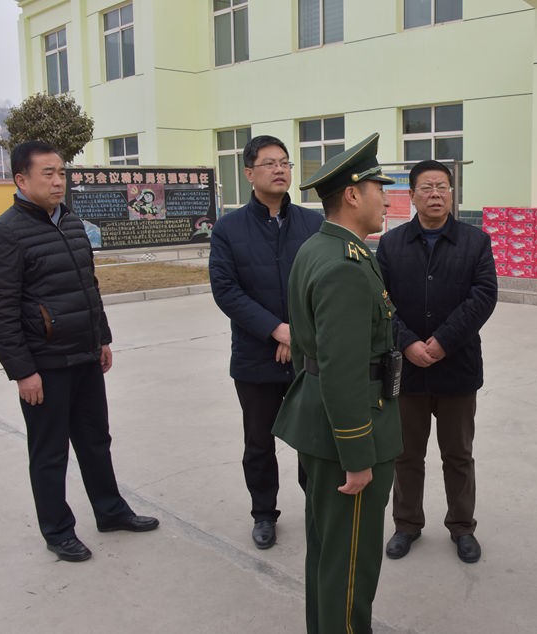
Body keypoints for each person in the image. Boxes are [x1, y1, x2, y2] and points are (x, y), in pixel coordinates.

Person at [0, 140, 159, 563]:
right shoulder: (5, 235)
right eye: (48, 174)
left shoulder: (72, 223)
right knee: (50, 452)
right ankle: (58, 530)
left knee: (96, 440)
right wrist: (23, 371)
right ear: (21, 180)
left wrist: (102, 338)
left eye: (61, 172)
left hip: (85, 355)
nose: (58, 181)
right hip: (44, 367)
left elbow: (88, 288)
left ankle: (110, 511)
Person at [272, 133, 403, 634]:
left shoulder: (320, 247)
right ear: (352, 194)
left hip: (321, 425)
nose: (386, 200)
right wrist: (357, 454)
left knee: (329, 556)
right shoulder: (343, 265)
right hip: (350, 432)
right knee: (350, 566)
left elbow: (311, 353)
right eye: (379, 189)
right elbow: (342, 366)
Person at [376, 159, 497, 564]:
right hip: (407, 370)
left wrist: (444, 341)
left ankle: (462, 526)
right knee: (406, 454)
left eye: (442, 187)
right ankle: (407, 524)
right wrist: (408, 342)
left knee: (458, 453)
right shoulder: (391, 245)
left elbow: (483, 296)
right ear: (411, 195)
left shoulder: (475, 242)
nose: (435, 194)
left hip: (457, 368)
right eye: (426, 188)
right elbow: (381, 302)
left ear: (451, 193)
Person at [209, 135, 323, 550]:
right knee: (259, 441)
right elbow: (226, 290)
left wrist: (297, 332)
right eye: (270, 163)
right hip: (255, 355)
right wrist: (276, 329)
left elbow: (324, 283)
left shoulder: (313, 224)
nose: (280, 170)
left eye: (285, 162)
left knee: (313, 437)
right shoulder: (228, 229)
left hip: (307, 354)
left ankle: (318, 508)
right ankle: (263, 513)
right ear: (248, 173)